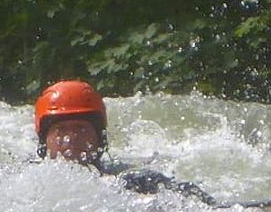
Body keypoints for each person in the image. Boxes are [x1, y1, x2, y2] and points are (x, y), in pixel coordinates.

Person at [33, 80, 216, 204]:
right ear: (44, 140)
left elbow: (195, 201)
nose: (70, 138)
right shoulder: (27, 182)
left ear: (99, 138)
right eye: (60, 130)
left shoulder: (130, 180)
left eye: (81, 128)